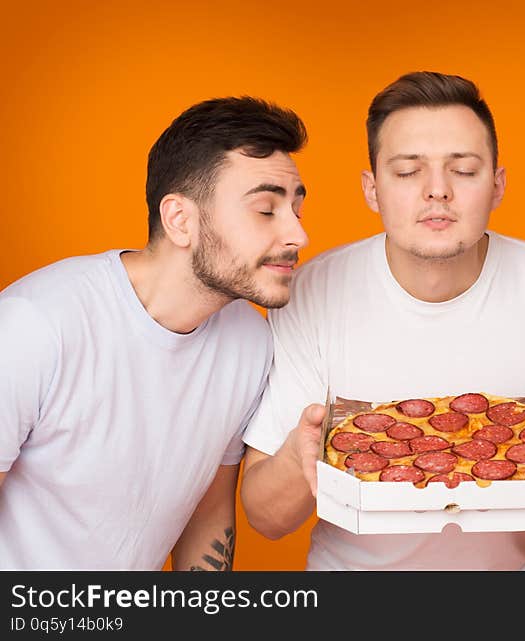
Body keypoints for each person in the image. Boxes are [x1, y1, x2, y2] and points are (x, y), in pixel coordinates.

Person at [240, 71, 525, 570]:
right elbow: (266, 517)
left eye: (464, 170)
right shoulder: (311, 290)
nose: (437, 192)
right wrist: (298, 459)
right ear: (372, 189)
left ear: (497, 185)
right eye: (408, 171)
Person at [0, 96, 310, 570]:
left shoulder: (250, 342)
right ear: (180, 220)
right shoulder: (35, 324)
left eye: (296, 210)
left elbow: (208, 513)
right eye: (266, 210)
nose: (297, 236)